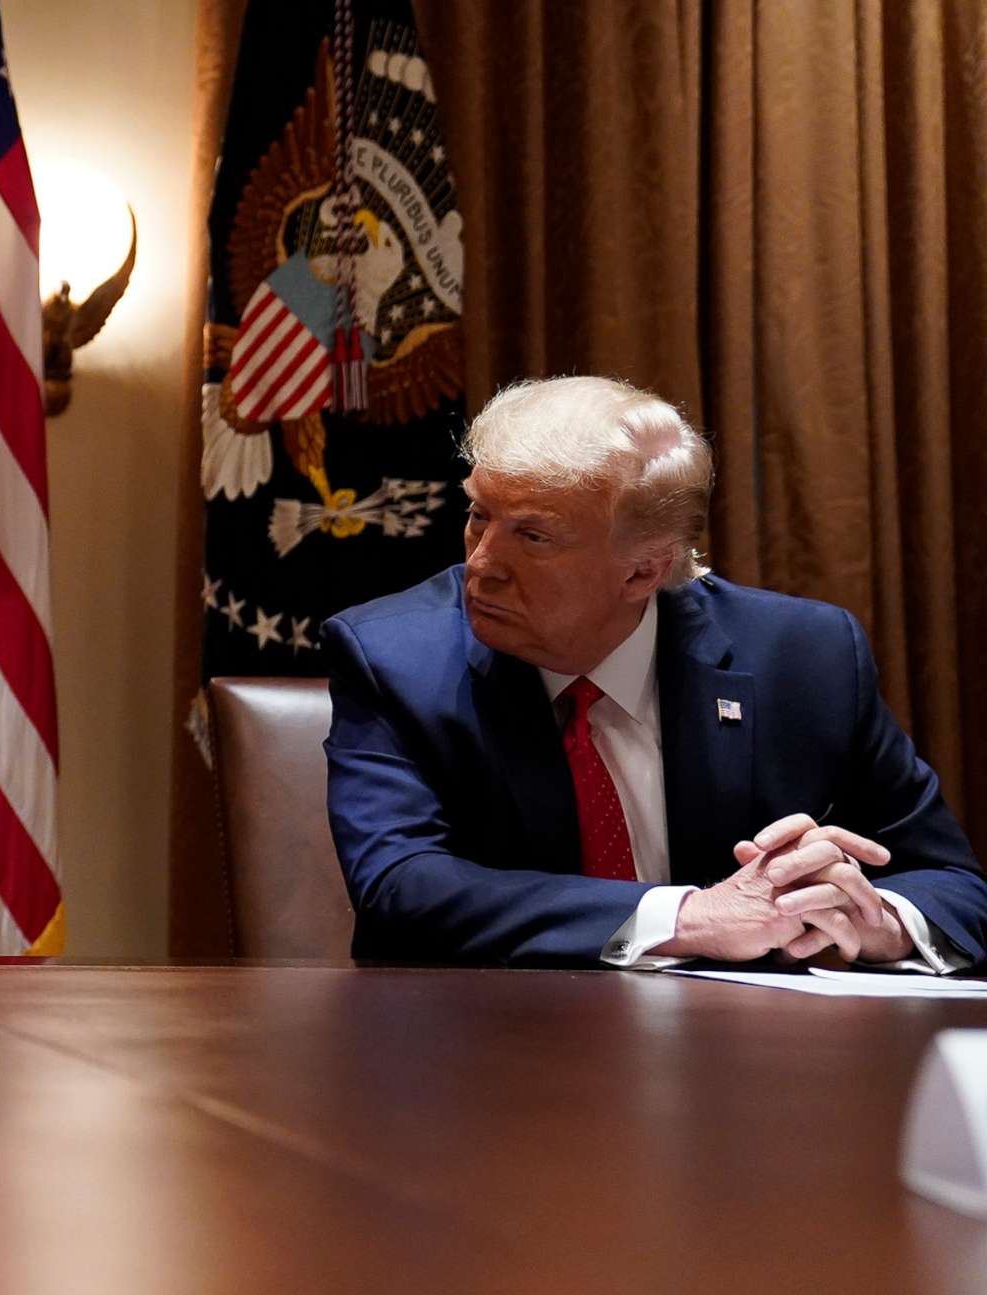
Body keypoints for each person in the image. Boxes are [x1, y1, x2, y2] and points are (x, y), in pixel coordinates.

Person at [322, 374, 983, 968]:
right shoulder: (394, 658)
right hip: (491, 1055)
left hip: (749, 1061)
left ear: (645, 569)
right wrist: (686, 918)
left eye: (534, 536)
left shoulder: (804, 656)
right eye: (479, 517)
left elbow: (952, 885)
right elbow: (401, 886)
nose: (483, 564)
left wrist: (873, 921)